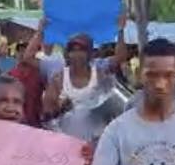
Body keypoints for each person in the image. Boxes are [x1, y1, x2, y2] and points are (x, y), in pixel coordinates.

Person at [42, 14, 129, 143]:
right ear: (67, 53)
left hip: (97, 142)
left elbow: (120, 57)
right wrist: (61, 109)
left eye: (82, 50)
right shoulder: (58, 79)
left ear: (89, 53)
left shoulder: (100, 73)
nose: (77, 54)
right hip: (66, 141)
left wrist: (120, 30)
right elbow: (46, 116)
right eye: (73, 50)